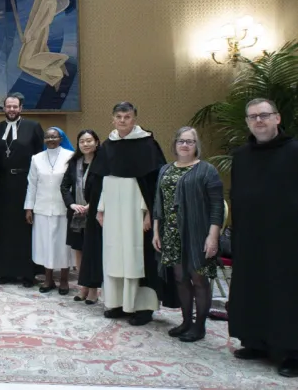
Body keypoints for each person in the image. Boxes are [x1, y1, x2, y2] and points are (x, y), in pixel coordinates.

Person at [228, 98, 298, 378]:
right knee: (252, 287)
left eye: (264, 115)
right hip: (250, 236)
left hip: (287, 239)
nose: (259, 121)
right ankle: (254, 342)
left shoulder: (294, 151)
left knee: (286, 293)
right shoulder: (242, 156)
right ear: (247, 122)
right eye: (253, 117)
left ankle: (291, 352)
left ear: (277, 119)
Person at [93, 102, 171, 326]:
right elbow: (102, 180)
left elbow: (154, 183)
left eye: (127, 117)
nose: (122, 121)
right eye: (118, 116)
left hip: (137, 212)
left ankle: (142, 307)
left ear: (134, 119)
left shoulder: (147, 144)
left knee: (137, 257)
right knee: (114, 255)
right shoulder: (108, 145)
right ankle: (117, 302)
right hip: (113, 212)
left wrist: (150, 213)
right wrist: (100, 209)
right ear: (113, 119)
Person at [152, 127, 223, 343]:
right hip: (171, 234)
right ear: (174, 144)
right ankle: (185, 322)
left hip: (197, 233)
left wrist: (213, 236)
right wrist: (156, 231)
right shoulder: (165, 170)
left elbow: (217, 206)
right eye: (181, 141)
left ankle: (199, 326)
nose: (185, 145)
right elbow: (159, 202)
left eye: (190, 141)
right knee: (180, 278)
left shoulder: (207, 170)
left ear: (196, 145)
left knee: (198, 279)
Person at [0, 93, 45, 286]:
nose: (11, 110)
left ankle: (28, 273)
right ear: (3, 108)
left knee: (25, 228)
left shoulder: (33, 127)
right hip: (3, 185)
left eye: (15, 107)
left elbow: (40, 158)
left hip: (25, 183)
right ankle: (5, 272)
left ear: (21, 108)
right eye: (8, 106)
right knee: (4, 229)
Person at [24, 127, 75, 294]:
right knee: (45, 245)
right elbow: (32, 184)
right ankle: (48, 279)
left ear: (61, 138)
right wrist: (29, 208)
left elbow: (73, 184)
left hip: (63, 209)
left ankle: (64, 280)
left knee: (63, 246)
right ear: (44, 140)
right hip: (42, 208)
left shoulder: (70, 156)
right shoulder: (36, 158)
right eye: (47, 137)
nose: (51, 140)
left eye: (54, 137)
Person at [60, 129, 101, 304]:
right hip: (76, 214)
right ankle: (82, 287)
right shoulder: (73, 162)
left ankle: (93, 289)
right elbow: (64, 187)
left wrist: (91, 205)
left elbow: (105, 188)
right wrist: (72, 204)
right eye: (82, 141)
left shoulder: (102, 164)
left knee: (92, 251)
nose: (85, 144)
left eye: (89, 140)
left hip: (96, 214)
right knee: (78, 251)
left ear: (97, 142)